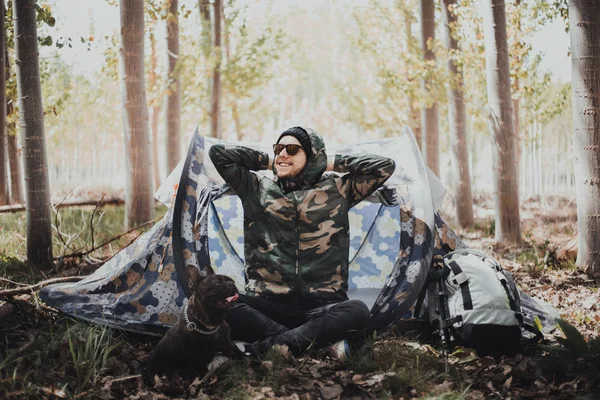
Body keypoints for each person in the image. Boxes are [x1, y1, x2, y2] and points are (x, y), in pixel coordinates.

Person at [208, 126, 395, 358]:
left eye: (292, 149)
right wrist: (271, 161)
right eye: (279, 148)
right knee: (219, 304)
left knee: (357, 311)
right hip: (267, 302)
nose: (283, 153)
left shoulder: (338, 190)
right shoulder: (255, 188)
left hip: (322, 305)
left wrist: (326, 162)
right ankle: (308, 343)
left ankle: (265, 348)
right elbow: (218, 154)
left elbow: (384, 166)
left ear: (312, 156)